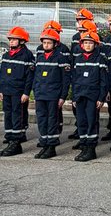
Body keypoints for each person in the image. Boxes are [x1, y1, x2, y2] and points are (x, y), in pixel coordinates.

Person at [70, 27, 108, 161]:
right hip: (80, 95)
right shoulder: (78, 58)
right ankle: (84, 146)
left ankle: (91, 149)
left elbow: (104, 80)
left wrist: (101, 97)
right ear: (81, 44)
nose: (88, 45)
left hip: (93, 96)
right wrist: (74, 96)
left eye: (91, 43)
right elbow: (74, 79)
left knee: (92, 121)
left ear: (96, 45)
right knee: (81, 122)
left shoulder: (100, 59)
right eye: (85, 43)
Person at [32, 28, 70, 159]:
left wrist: (62, 96)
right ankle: (44, 144)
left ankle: (51, 146)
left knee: (52, 120)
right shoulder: (40, 57)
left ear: (55, 44)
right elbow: (36, 78)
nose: (46, 45)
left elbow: (65, 80)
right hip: (41, 94)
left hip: (53, 95)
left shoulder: (59, 58)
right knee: (42, 120)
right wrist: (35, 93)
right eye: (44, 43)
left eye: (49, 43)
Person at [0, 27, 35, 155]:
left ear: (22, 41)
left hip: (18, 92)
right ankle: (10, 139)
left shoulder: (27, 56)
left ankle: (16, 143)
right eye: (10, 40)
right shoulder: (6, 55)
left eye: (14, 39)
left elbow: (29, 77)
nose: (11, 42)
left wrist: (26, 92)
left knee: (17, 116)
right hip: (7, 91)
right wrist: (1, 90)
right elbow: (2, 74)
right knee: (8, 115)